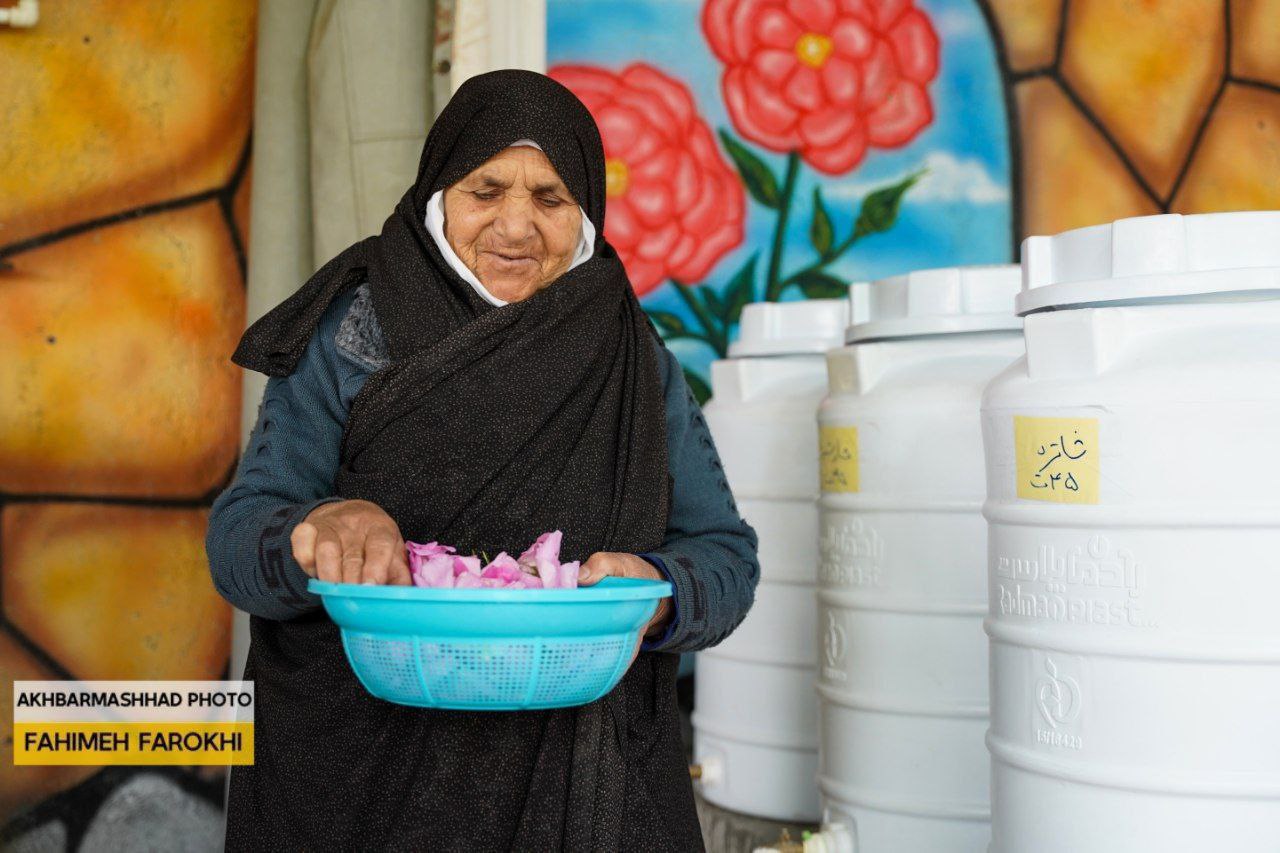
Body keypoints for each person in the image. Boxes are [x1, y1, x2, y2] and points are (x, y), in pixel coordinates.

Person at [205, 70, 759, 851]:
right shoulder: (356, 332)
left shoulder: (631, 354)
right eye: (486, 189)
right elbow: (236, 542)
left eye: (550, 197)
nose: (517, 226)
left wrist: (660, 591)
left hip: (577, 784)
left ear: (587, 212)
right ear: (438, 195)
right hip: (359, 782)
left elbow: (727, 559)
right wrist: (317, 526)